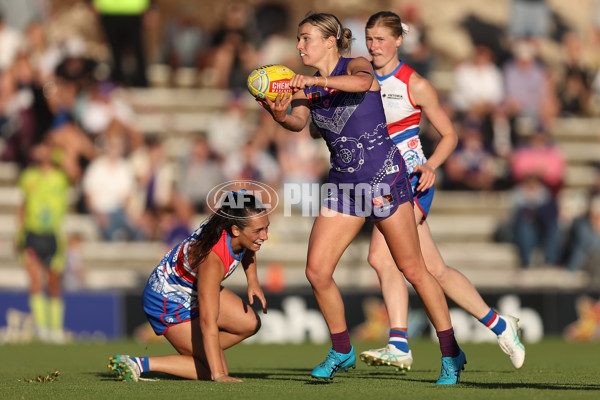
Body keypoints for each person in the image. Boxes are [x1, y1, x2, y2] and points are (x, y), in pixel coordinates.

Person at [260, 12, 465, 384]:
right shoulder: (305, 84)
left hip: (384, 180)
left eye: (306, 38)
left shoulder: (353, 64)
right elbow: (299, 123)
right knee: (317, 271)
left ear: (329, 40)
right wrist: (279, 115)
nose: (299, 45)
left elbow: (361, 82)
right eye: (298, 38)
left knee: (414, 270)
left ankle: (451, 352)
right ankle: (342, 349)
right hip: (344, 187)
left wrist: (315, 80)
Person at [358, 11, 525, 371]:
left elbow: (451, 135)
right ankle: (500, 324)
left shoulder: (414, 83)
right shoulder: (365, 79)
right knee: (433, 269)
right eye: (369, 39)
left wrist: (431, 164)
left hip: (413, 181)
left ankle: (399, 343)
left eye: (381, 39)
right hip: (383, 183)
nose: (374, 46)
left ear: (398, 41)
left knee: (381, 257)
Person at [108, 191, 269, 382]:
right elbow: (208, 321)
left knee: (249, 323)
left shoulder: (235, 224)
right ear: (235, 230)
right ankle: (138, 363)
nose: (264, 236)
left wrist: (253, 281)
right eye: (258, 231)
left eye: (266, 228)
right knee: (213, 369)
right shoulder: (212, 260)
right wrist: (219, 374)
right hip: (166, 299)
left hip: (189, 288)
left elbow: (248, 245)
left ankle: (201, 349)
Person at [16, 139, 71, 343]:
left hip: (52, 235)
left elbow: (75, 173)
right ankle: (41, 327)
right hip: (32, 233)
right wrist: (18, 234)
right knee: (35, 280)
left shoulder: (60, 177)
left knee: (54, 283)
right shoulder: (29, 176)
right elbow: (22, 205)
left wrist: (58, 156)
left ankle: (56, 328)